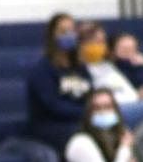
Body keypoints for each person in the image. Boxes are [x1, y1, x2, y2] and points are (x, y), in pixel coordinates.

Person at [25, 12, 94, 151]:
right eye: (63, 31)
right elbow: (54, 106)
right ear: (52, 36)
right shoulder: (42, 70)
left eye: (71, 30)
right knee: (85, 137)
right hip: (50, 125)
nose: (68, 35)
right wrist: (86, 114)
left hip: (79, 120)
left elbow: (90, 95)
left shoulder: (80, 67)